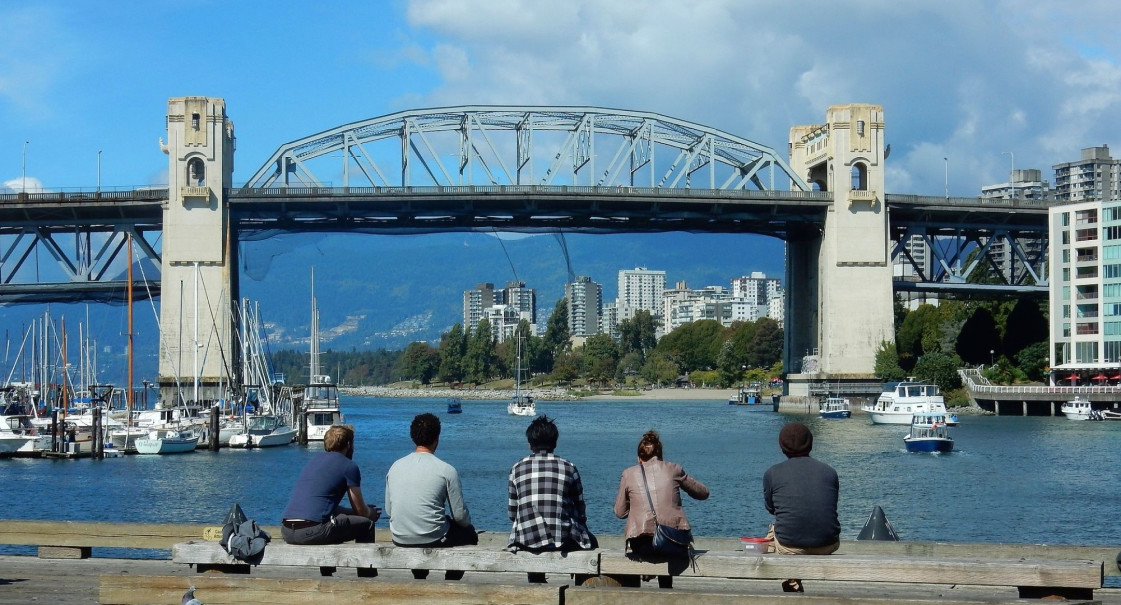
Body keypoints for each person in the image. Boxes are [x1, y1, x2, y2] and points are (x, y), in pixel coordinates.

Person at [614, 430, 709, 588]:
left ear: (639, 458)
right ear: (660, 455)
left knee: (653, 545)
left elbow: (620, 512)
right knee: (665, 545)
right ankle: (666, 590)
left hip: (642, 544)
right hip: (673, 540)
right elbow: (703, 493)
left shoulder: (628, 474)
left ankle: (645, 585)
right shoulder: (673, 469)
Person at [508, 415, 597, 582]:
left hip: (526, 539)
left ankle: (536, 583)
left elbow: (513, 513)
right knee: (592, 542)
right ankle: (581, 585)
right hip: (562, 539)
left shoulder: (516, 468)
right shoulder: (569, 467)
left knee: (532, 543)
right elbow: (580, 509)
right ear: (555, 443)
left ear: (530, 444)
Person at [763, 421, 840, 592]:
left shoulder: (772, 473)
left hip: (789, 544)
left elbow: (771, 508)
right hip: (828, 543)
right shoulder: (829, 471)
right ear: (811, 444)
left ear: (782, 447)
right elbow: (829, 506)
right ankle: (792, 580)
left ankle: (791, 581)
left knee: (773, 532)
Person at [385, 413, 476, 547]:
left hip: (399, 537)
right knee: (469, 534)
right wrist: (467, 524)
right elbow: (460, 516)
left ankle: (418, 568)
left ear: (412, 437)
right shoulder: (446, 470)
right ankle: (453, 569)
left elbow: (389, 511)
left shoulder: (395, 467)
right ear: (437, 437)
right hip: (433, 537)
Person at [280, 424, 381, 545]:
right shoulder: (349, 466)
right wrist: (370, 512)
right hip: (312, 531)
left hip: (287, 530)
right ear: (349, 445)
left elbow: (326, 508)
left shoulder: (313, 462)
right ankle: (365, 564)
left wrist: (352, 513)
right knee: (366, 524)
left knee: (335, 523)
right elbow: (361, 511)